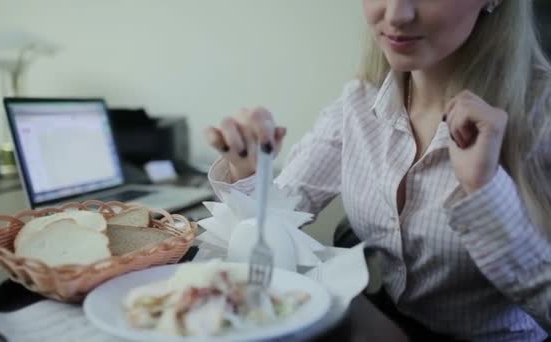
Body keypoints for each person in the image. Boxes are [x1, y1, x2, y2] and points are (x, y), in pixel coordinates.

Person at [204, 0, 551, 341]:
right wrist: (249, 167)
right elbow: (275, 225)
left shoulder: (542, 116)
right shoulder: (359, 101)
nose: (397, 14)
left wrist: (484, 191)